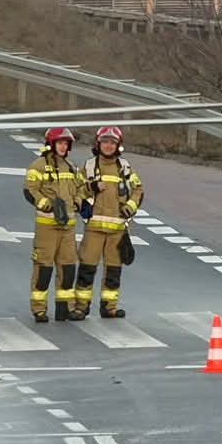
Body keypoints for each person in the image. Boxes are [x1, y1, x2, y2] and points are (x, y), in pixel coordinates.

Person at [22, 126, 87, 322]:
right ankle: (39, 309)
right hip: (46, 227)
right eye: (60, 143)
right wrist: (46, 204)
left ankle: (64, 308)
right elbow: (30, 189)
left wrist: (77, 201)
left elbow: (81, 189)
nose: (63, 146)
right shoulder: (38, 165)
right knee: (43, 269)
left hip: (68, 228)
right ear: (51, 144)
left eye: (66, 143)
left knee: (67, 269)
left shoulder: (71, 167)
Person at [78, 126, 143, 318]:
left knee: (114, 272)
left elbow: (138, 190)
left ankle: (109, 307)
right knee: (87, 269)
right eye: (105, 142)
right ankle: (81, 307)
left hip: (117, 230)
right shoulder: (89, 166)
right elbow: (77, 191)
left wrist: (129, 208)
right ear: (98, 144)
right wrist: (92, 187)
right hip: (94, 229)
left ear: (118, 146)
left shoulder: (125, 168)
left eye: (112, 143)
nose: (108, 145)